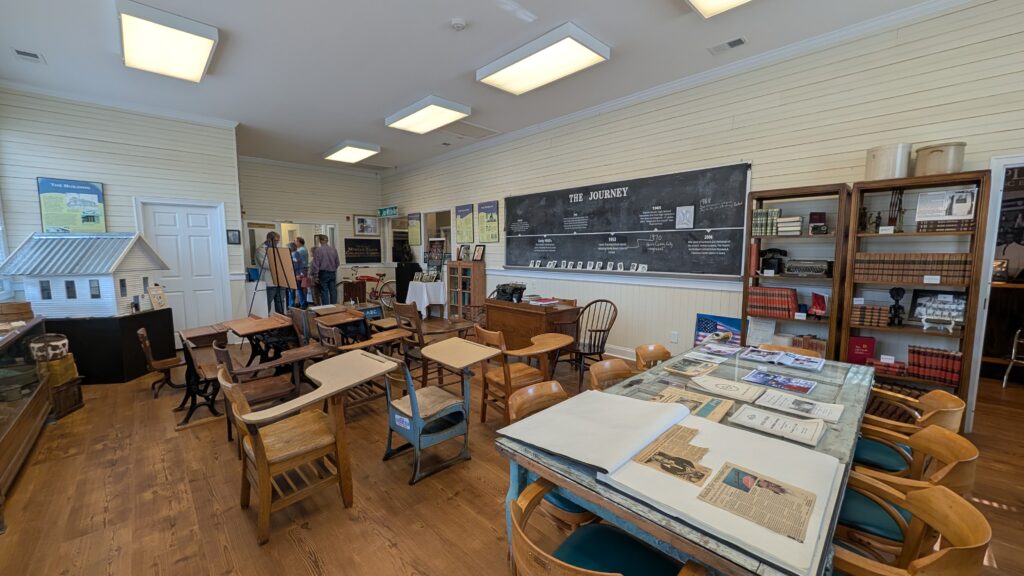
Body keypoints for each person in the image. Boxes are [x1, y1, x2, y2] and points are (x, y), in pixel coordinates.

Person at [254, 231, 286, 314]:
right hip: (269, 282)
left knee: (280, 303)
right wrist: (280, 263)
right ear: (268, 239)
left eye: (278, 241)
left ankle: (281, 321)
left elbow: (283, 262)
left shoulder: (276, 249)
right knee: (267, 304)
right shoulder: (261, 250)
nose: (276, 243)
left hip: (280, 281)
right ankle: (267, 320)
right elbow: (267, 264)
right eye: (275, 241)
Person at [310, 234, 340, 304]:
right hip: (332, 273)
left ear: (321, 241)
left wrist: (316, 276)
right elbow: (337, 263)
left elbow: (316, 265)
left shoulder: (318, 250)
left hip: (323, 273)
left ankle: (327, 308)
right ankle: (334, 306)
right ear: (327, 240)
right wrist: (333, 269)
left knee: (324, 291)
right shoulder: (334, 249)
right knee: (333, 291)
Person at [294, 236, 309, 307]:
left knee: (300, 287)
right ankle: (302, 302)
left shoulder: (301, 250)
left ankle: (303, 303)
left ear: (299, 242)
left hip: (301, 270)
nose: (294, 243)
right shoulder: (303, 249)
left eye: (295, 241)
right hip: (303, 269)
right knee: (302, 287)